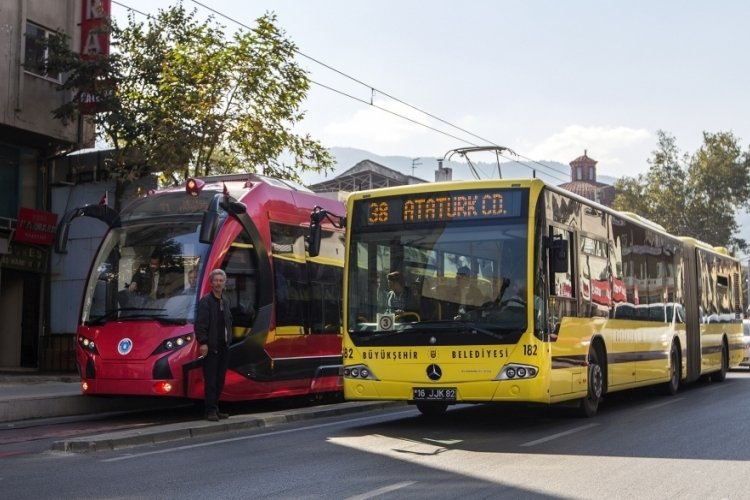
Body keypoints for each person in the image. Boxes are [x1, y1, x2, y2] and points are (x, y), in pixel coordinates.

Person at [195, 268, 233, 421]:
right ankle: (209, 411)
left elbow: (228, 321)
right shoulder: (206, 301)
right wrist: (203, 342)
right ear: (211, 283)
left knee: (220, 380)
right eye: (215, 281)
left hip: (224, 346)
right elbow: (200, 324)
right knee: (211, 380)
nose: (218, 283)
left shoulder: (226, 300)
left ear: (224, 283)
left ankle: (216, 408)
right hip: (211, 346)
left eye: (221, 281)